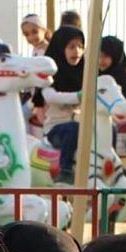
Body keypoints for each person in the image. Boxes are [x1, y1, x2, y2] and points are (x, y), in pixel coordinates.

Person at [38, 25, 86, 183]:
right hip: (57, 129)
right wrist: (78, 96)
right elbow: (50, 96)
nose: (77, 51)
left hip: (82, 125)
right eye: (71, 47)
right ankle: (65, 169)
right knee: (74, 129)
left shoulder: (85, 74)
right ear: (60, 48)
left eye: (80, 47)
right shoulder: (50, 77)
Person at [99, 34, 126, 121]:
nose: (101, 60)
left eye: (105, 56)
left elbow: (125, 118)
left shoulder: (123, 85)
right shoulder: (98, 79)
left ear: (115, 57)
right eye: (99, 56)